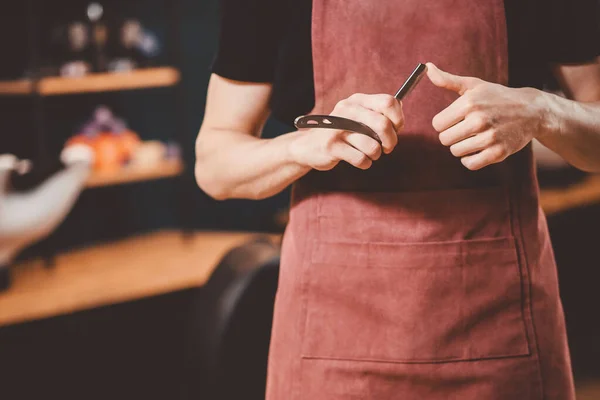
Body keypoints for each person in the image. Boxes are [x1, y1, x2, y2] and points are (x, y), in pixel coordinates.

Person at [195, 0, 600, 398]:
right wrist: (300, 148)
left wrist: (540, 109)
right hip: (329, 337)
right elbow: (214, 164)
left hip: (500, 328)